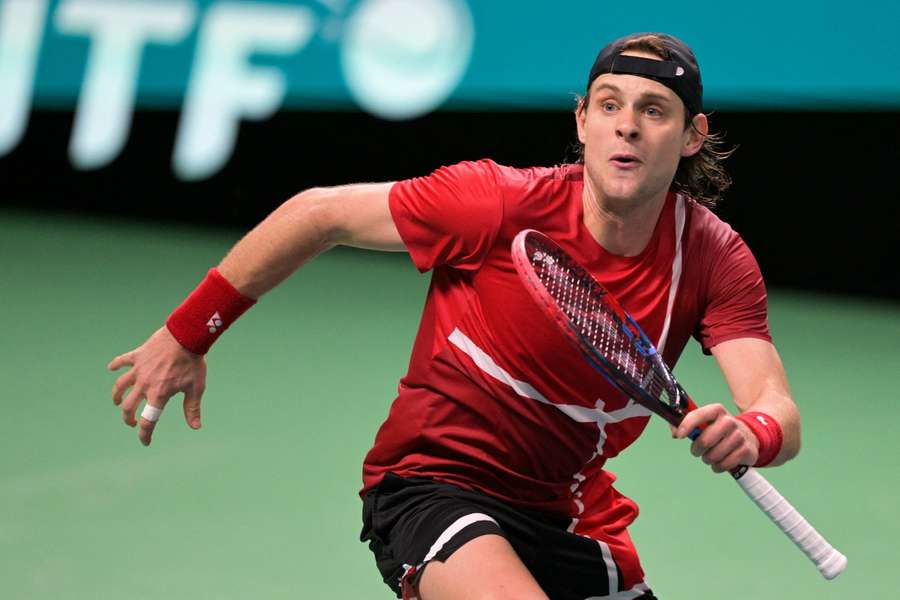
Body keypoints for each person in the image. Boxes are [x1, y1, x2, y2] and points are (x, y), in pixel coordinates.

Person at [108, 32, 801, 600]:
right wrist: (186, 334)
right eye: (610, 104)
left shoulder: (711, 256)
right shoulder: (494, 203)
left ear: (690, 135)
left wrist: (753, 434)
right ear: (582, 120)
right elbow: (318, 214)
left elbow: (774, 405)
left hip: (569, 511)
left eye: (654, 110)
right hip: (432, 482)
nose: (627, 124)